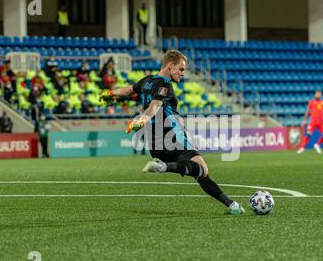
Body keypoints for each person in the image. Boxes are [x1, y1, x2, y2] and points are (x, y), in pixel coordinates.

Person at [99, 50, 245, 215]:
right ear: (170, 66)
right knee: (202, 170)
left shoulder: (147, 80)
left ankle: (232, 205)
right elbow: (154, 107)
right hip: (173, 138)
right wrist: (141, 120)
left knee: (198, 171)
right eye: (181, 69)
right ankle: (164, 167)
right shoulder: (165, 86)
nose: (183, 73)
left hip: (155, 145)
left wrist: (111, 94)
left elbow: (127, 90)